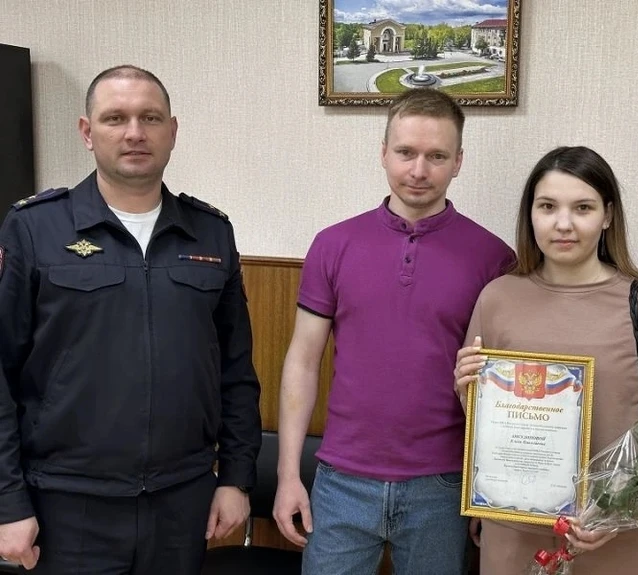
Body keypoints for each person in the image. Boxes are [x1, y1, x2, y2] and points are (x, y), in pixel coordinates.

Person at [0, 65, 261, 574]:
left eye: (150, 118)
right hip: (67, 502)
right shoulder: (34, 229)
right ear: (87, 132)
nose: (135, 132)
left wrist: (236, 476)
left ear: (172, 131)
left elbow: (235, 370)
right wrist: (7, 501)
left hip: (181, 501)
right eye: (115, 118)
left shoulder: (211, 234)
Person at [273, 88, 516, 574]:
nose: (419, 170)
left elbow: (499, 389)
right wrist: (287, 475)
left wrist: (490, 492)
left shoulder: (494, 258)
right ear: (383, 153)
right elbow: (302, 361)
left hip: (442, 485)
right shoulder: (333, 244)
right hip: (342, 479)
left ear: (458, 161)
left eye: (437, 156)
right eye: (406, 152)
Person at [454, 146, 638, 575]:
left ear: (608, 216)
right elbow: (484, 422)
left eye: (583, 208)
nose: (563, 223)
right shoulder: (497, 298)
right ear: (530, 215)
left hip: (616, 540)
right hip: (513, 534)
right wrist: (468, 388)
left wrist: (622, 512)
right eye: (548, 207)